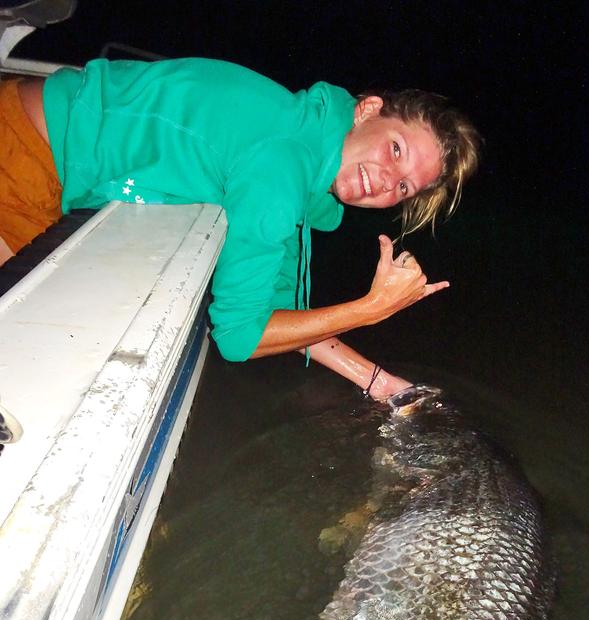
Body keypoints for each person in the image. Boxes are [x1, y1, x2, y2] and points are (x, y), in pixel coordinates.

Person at [0, 58, 480, 399]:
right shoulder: (281, 164)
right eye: (395, 150)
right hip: (21, 152)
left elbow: (279, 315)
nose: (386, 181)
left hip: (54, 159)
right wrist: (371, 309)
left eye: (404, 186)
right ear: (368, 110)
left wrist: (379, 383)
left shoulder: (308, 154)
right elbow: (240, 338)